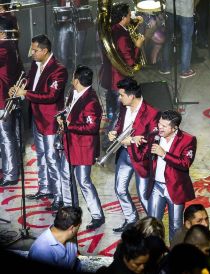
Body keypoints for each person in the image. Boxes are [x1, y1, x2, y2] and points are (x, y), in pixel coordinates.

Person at [11, 35, 68, 203]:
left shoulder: (59, 70)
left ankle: (59, 196)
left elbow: (51, 96)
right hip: (37, 118)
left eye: (35, 50)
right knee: (41, 156)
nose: (32, 53)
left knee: (52, 158)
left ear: (44, 50)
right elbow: (30, 81)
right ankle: (44, 188)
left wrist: (25, 93)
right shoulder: (37, 65)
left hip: (50, 121)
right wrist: (20, 87)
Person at [54, 65, 105, 230]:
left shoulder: (91, 101)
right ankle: (70, 212)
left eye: (73, 78)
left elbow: (91, 128)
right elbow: (69, 111)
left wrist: (69, 125)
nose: (71, 81)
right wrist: (62, 117)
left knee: (83, 181)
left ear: (76, 80)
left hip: (83, 147)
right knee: (65, 176)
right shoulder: (72, 92)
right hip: (69, 143)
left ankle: (98, 215)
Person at [108, 77, 159, 233]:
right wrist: (115, 131)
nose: (119, 98)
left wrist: (137, 140)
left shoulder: (151, 113)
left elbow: (155, 139)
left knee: (144, 197)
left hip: (140, 158)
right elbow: (120, 123)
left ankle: (154, 228)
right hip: (124, 154)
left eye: (121, 95)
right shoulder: (124, 106)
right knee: (120, 189)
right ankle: (131, 219)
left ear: (131, 96)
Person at [144, 110, 197, 242]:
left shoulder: (188, 140)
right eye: (159, 123)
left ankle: (175, 255)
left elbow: (185, 164)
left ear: (174, 128)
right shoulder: (154, 136)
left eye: (164, 126)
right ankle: (154, 254)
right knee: (152, 225)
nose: (159, 127)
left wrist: (164, 154)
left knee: (176, 226)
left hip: (175, 187)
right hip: (156, 186)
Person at [99, 3, 144, 122]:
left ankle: (109, 136)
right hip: (119, 80)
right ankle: (114, 137)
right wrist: (138, 46)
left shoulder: (111, 29)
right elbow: (130, 62)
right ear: (123, 18)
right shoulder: (122, 37)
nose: (130, 18)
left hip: (109, 78)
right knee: (119, 117)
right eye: (129, 15)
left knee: (111, 113)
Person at [0, 17, 21, 187]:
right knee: (8, 136)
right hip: (6, 97)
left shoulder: (4, 48)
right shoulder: (12, 47)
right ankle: (10, 170)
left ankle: (11, 174)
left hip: (2, 100)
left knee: (6, 137)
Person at [28, 206, 82, 271]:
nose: (78, 230)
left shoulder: (70, 236)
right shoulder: (42, 251)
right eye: (78, 227)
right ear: (72, 228)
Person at [159, 0, 196, 78]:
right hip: (186, 9)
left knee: (168, 38)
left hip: (170, 8)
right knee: (186, 41)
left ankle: (165, 67)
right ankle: (185, 70)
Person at [53, 0, 92, 71]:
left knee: (78, 54)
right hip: (63, 22)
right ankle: (61, 76)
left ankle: (77, 76)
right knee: (62, 54)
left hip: (79, 22)